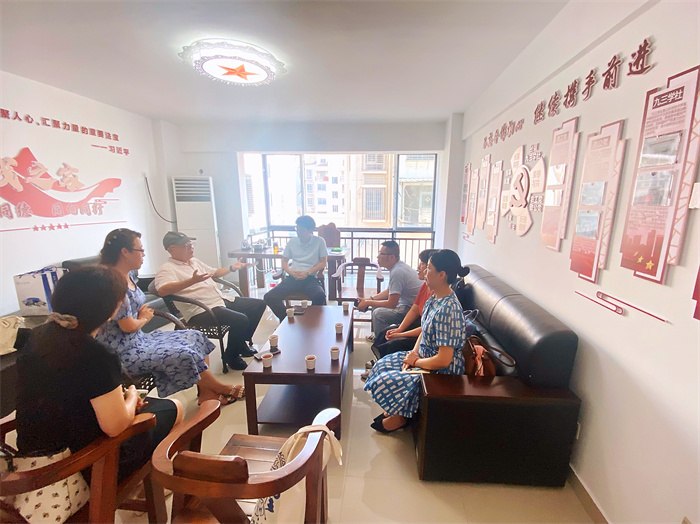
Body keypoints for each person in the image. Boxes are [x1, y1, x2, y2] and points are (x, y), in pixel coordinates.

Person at [15, 266, 184, 483]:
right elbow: (115, 427)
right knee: (174, 407)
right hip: (83, 465)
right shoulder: (97, 354)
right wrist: (132, 396)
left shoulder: (37, 336)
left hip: (35, 458)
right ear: (111, 308)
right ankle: (157, 481)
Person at [97, 228, 243, 404]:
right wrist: (144, 318)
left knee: (196, 337)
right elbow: (127, 326)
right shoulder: (112, 283)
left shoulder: (128, 275)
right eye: (140, 250)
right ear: (125, 252)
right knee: (184, 353)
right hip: (124, 351)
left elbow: (134, 304)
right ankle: (219, 387)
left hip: (139, 339)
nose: (144, 254)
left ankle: (206, 393)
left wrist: (141, 312)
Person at [363, 249, 469, 433]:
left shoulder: (449, 310)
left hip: (441, 370)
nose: (424, 271)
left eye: (429, 268)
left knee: (385, 380)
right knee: (381, 366)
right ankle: (399, 411)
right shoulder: (435, 298)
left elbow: (444, 360)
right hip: (424, 356)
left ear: (442, 275)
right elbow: (424, 330)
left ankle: (403, 417)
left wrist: (416, 362)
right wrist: (413, 353)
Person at [154, 231, 267, 370]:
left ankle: (239, 344)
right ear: (172, 249)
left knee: (258, 305)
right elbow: (162, 290)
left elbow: (214, 272)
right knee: (240, 320)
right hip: (201, 309)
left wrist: (232, 268)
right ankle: (231, 356)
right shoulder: (167, 269)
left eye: (191, 244)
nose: (191, 248)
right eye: (186, 246)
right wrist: (191, 281)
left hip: (219, 300)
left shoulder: (194, 261)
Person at [361, 248, 439, 380]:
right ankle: (379, 364)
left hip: (424, 335)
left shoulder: (439, 298)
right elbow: (414, 309)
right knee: (386, 333)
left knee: (391, 338)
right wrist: (399, 329)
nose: (418, 267)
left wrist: (401, 334)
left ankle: (381, 369)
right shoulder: (425, 286)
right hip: (419, 323)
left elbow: (426, 329)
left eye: (424, 264)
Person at [264, 215, 328, 321]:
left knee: (320, 296)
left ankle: (311, 321)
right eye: (297, 229)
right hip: (293, 278)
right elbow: (284, 261)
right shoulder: (292, 242)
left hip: (310, 278)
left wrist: (307, 272)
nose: (298, 232)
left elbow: (323, 262)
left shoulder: (319, 241)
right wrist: (290, 272)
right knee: (269, 297)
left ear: (310, 230)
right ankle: (286, 319)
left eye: (301, 230)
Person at [356, 240, 422, 339]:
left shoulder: (397, 272)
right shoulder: (398, 267)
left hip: (411, 310)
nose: (378, 257)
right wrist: (369, 299)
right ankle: (378, 336)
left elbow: (391, 304)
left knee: (378, 314)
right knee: (375, 304)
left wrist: (368, 302)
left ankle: (383, 341)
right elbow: (389, 291)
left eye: (381, 254)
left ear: (392, 257)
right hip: (407, 305)